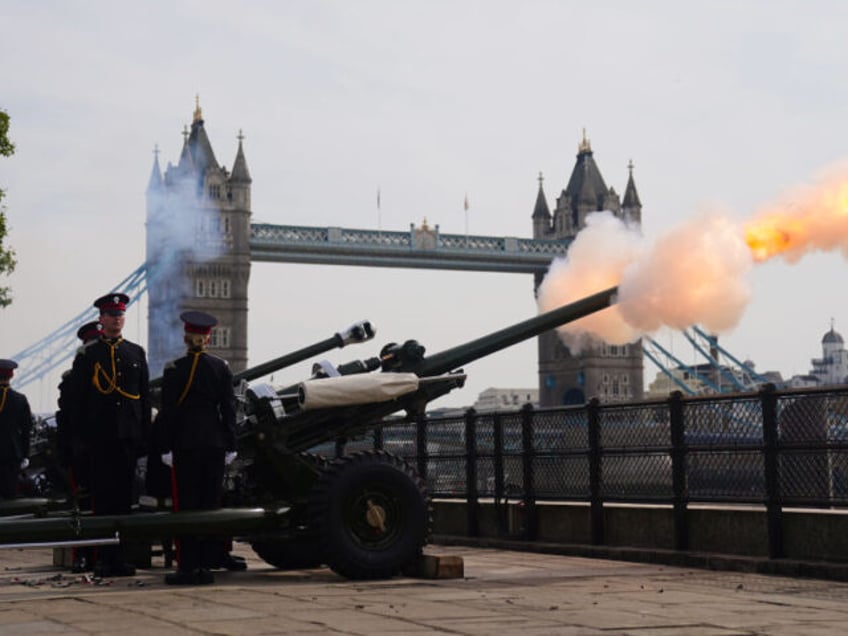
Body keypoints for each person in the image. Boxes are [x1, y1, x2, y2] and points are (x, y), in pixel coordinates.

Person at [63, 293, 151, 578]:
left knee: (124, 501)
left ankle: (120, 557)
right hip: (99, 437)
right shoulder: (88, 354)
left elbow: (144, 398)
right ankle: (102, 557)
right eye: (111, 315)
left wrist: (144, 437)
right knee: (101, 502)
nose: (116, 319)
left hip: (127, 436)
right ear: (101, 319)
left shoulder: (136, 353)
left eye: (120, 315)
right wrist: (80, 440)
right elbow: (77, 401)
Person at [158, 310, 237, 585]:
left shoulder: (174, 368)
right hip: (214, 443)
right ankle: (206, 565)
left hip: (185, 444)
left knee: (186, 507)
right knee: (209, 506)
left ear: (185, 337)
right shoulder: (221, 367)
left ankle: (188, 566)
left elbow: (168, 412)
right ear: (208, 337)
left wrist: (166, 446)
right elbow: (229, 408)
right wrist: (231, 444)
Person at [55, 320, 102, 573]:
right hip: (83, 451)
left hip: (103, 449)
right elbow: (68, 419)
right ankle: (84, 554)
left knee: (103, 502)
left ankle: (103, 552)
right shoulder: (72, 381)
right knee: (83, 505)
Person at [0, 360, 33, 499]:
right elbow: (26, 429)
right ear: (11, 376)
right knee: (9, 493)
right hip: (12, 452)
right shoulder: (20, 399)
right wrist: (25, 454)